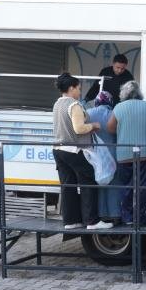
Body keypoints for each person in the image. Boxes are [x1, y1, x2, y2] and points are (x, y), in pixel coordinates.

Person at [51, 73, 112, 230]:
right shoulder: (74, 105)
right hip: (74, 149)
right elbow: (79, 129)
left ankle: (71, 221)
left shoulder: (57, 104)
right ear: (71, 88)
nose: (80, 91)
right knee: (88, 181)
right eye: (78, 88)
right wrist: (94, 126)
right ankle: (92, 221)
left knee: (68, 185)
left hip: (58, 149)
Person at [107, 81, 146, 225]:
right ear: (139, 93)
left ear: (123, 94)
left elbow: (110, 128)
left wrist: (123, 128)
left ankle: (128, 217)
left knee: (126, 186)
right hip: (145, 153)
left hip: (124, 153)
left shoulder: (119, 107)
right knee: (141, 185)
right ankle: (140, 217)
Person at [86, 91, 120, 223]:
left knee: (98, 181)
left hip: (95, 154)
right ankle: (115, 214)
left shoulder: (88, 113)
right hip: (113, 153)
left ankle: (101, 214)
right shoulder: (113, 114)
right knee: (114, 183)